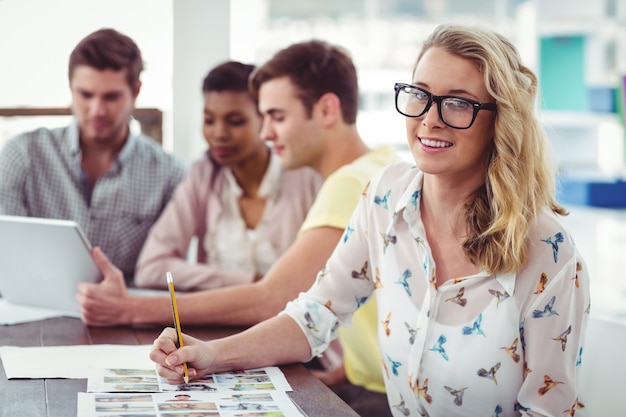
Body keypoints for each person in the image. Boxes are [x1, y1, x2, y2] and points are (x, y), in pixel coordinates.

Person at [150, 24, 591, 417]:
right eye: (419, 95)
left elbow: (547, 410)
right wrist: (210, 354)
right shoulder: (385, 196)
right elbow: (313, 318)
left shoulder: (548, 251)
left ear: (499, 121)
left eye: (457, 102)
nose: (429, 119)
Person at [78, 40, 398, 417]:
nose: (266, 133)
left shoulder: (348, 183)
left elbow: (273, 297)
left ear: (327, 109)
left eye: (277, 117)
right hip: (366, 386)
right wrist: (348, 373)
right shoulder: (379, 168)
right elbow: (354, 305)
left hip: (382, 401)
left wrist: (131, 310)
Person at [79, 60, 320, 298]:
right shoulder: (202, 176)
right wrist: (251, 283)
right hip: (217, 329)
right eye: (209, 120)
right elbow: (151, 269)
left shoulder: (306, 178)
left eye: (235, 121)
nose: (219, 134)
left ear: (264, 120)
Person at [0, 28, 186, 282]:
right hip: (33, 310)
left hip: (127, 315)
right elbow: (7, 258)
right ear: (70, 88)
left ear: (136, 90)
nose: (97, 110)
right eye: (85, 94)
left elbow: (167, 272)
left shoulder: (169, 173)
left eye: (111, 97)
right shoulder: (22, 156)